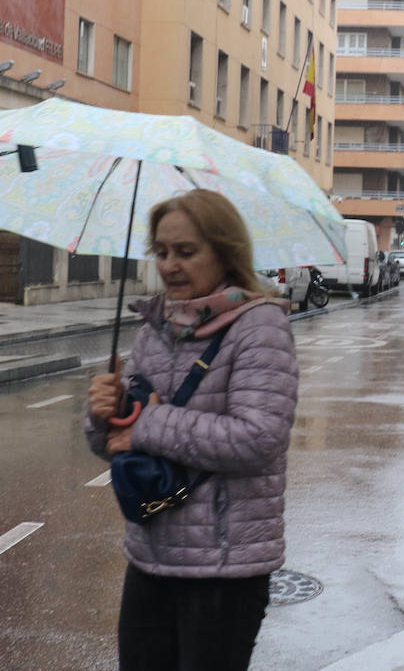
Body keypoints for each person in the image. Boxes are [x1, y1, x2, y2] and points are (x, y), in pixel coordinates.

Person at [86, 189, 298, 671]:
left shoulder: (259, 327)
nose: (169, 265)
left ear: (224, 252)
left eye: (185, 251)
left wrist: (148, 423)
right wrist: (104, 414)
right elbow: (119, 442)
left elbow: (258, 439)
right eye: (161, 251)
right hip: (150, 555)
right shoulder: (154, 329)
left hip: (224, 568)